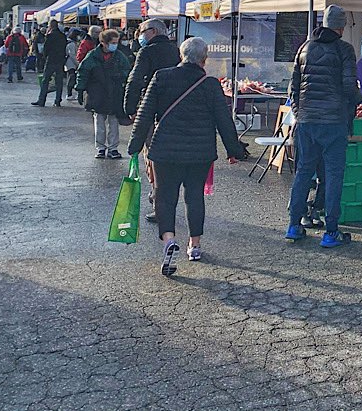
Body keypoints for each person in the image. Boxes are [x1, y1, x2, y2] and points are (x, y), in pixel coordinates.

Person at [127, 37, 244, 275]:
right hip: (199, 153)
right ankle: (195, 245)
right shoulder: (210, 84)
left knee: (165, 197)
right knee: (194, 197)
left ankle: (169, 240)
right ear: (204, 59)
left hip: (165, 151)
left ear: (182, 55)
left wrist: (134, 146)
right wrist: (234, 151)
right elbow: (224, 120)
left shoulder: (161, 77)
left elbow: (145, 113)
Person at [285, 4, 360, 247]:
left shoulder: (304, 48)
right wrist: (358, 98)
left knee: (303, 172)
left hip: (306, 122)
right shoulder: (344, 50)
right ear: (341, 26)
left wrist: (299, 113)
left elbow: (293, 88)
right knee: (334, 174)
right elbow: (349, 88)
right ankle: (331, 231)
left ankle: (294, 225)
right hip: (334, 121)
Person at [123, 18, 180, 223]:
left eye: (142, 31)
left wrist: (130, 108)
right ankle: (165, 198)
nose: (140, 34)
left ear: (153, 31)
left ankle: (159, 202)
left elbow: (135, 79)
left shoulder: (146, 52)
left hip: (151, 109)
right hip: (174, 110)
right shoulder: (176, 51)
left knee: (153, 157)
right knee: (169, 157)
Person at [75, 29, 132, 158]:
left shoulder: (119, 56)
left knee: (113, 122)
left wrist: (120, 76)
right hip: (97, 93)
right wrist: (80, 88)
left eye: (116, 42)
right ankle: (100, 147)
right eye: (113, 42)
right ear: (103, 43)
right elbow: (83, 72)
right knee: (99, 122)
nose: (115, 45)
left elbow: (127, 70)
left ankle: (113, 148)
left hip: (114, 92)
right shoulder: (92, 56)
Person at [31, 20, 68, 107]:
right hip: (60, 60)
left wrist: (44, 57)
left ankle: (42, 100)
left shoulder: (50, 36)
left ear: (51, 26)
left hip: (51, 60)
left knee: (45, 80)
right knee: (59, 81)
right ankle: (57, 100)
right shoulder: (63, 36)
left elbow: (45, 49)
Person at [64, 30, 81, 100]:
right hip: (70, 64)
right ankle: (69, 94)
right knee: (71, 78)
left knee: (70, 78)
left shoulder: (70, 42)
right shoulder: (72, 44)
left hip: (69, 63)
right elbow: (72, 55)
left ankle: (69, 93)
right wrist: (77, 63)